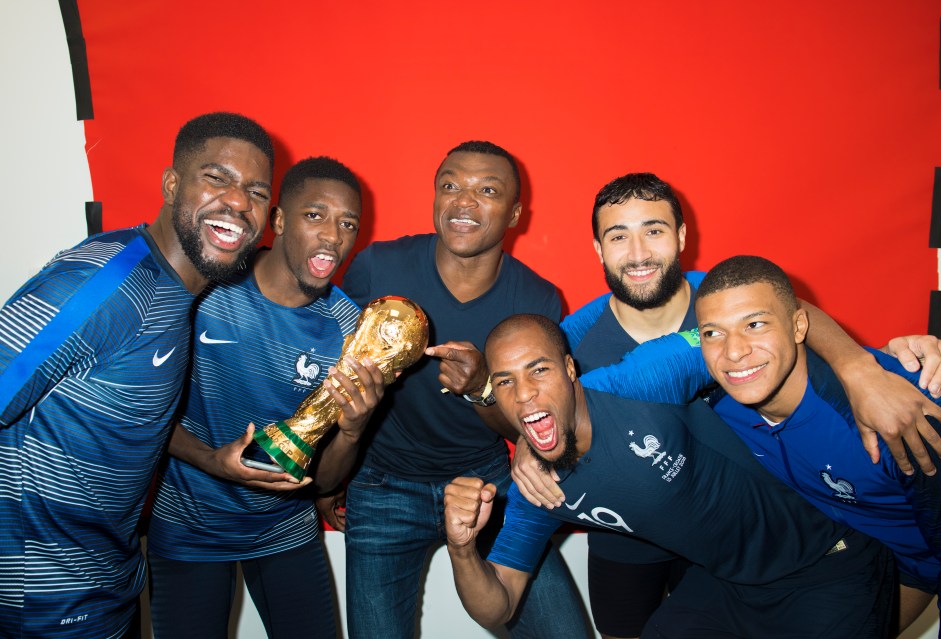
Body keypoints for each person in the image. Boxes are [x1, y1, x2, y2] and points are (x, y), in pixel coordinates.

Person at [510, 172, 941, 639]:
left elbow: (788, 313)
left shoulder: (722, 300)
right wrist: (531, 439)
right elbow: (538, 393)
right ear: (598, 248)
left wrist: (862, 367)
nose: (639, 253)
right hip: (636, 540)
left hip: (769, 538)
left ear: (681, 236)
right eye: (619, 236)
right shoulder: (574, 341)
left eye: (655, 230)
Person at [444, 314, 895, 638]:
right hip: (731, 584)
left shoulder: (644, 379)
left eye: (538, 370)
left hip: (826, 563)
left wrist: (865, 370)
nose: (524, 394)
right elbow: (499, 604)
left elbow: (772, 320)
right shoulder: (537, 486)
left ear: (569, 369)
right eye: (505, 382)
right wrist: (462, 549)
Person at [0, 112, 274, 638]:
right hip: (44, 605)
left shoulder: (179, 293)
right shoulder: (101, 285)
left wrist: (211, 459)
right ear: (172, 185)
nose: (239, 202)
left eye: (256, 192)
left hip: (113, 587)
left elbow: (133, 415)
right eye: (217, 178)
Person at [339, 141, 590, 638]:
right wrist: (330, 476)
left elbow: (530, 426)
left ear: (515, 213)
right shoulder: (377, 267)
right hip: (383, 485)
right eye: (450, 185)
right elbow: (335, 374)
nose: (463, 202)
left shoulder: (538, 300)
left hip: (487, 484)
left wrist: (480, 388)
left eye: (487, 191)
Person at [146, 157, 383, 638]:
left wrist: (354, 431)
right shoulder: (207, 288)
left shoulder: (347, 329)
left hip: (283, 529)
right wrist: (212, 460)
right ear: (277, 219)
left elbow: (323, 482)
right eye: (314, 215)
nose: (333, 237)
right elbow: (144, 411)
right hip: (188, 526)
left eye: (347, 223)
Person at [693, 255, 941, 635]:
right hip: (818, 558)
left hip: (906, 568)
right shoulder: (714, 400)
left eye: (755, 325)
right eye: (712, 333)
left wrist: (865, 366)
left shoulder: (894, 413)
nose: (734, 352)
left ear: (800, 326)